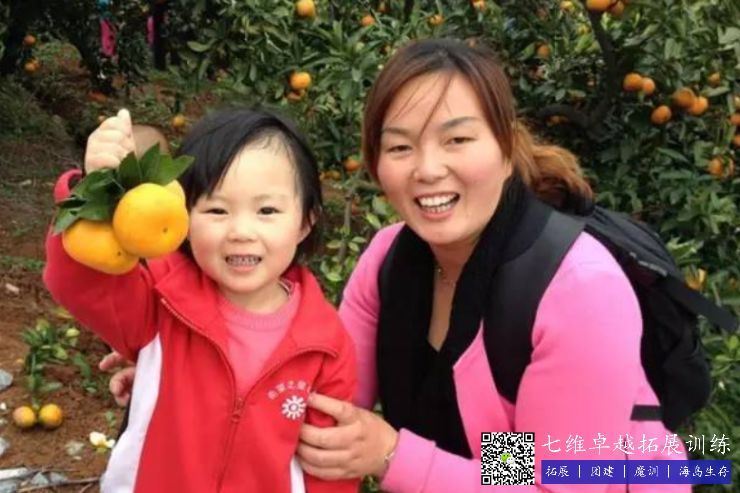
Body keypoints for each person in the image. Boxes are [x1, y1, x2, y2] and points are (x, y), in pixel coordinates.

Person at [103, 39, 691, 492]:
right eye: (401, 146)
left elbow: (554, 473)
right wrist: (198, 374)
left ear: (506, 149)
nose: (427, 169)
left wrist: (394, 456)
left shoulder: (579, 288)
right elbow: (321, 397)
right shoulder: (390, 259)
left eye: (457, 140)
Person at [44, 107, 359, 493]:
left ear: (305, 222)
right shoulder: (160, 300)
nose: (241, 231)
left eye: (267, 210)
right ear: (183, 217)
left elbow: (330, 463)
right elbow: (80, 282)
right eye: (217, 209)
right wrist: (93, 192)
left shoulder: (325, 343)